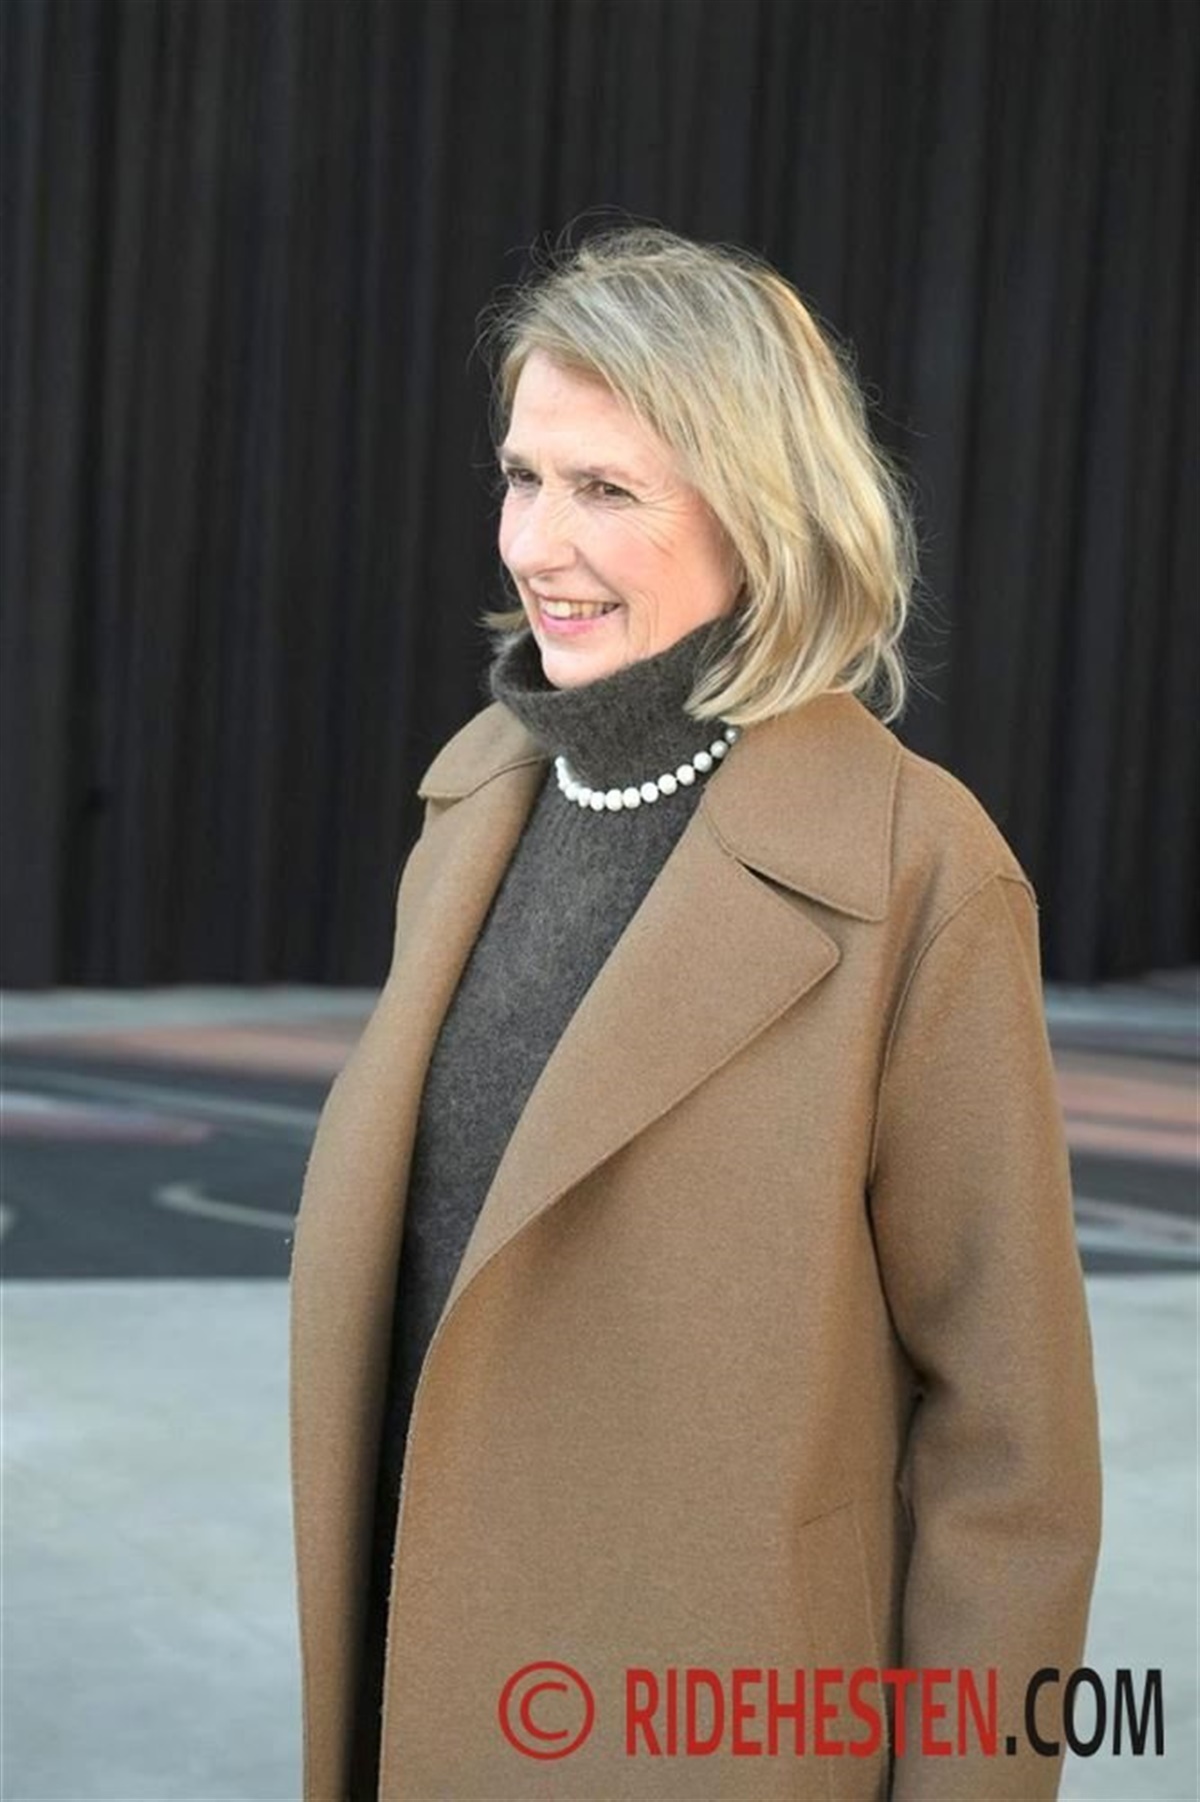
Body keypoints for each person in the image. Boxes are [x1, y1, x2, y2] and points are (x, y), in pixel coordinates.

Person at [289, 226, 1101, 1801]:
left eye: (608, 489)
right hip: (425, 1706)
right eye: (524, 477)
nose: (539, 542)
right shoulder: (474, 803)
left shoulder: (917, 873)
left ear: (760, 509)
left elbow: (1013, 1455)